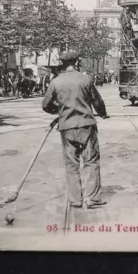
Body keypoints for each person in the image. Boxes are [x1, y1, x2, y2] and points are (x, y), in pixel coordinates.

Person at [42, 50, 109, 210]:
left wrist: (59, 112)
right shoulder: (85, 79)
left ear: (62, 64)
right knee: (91, 161)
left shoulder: (56, 82)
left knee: (71, 163)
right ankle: (92, 198)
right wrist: (103, 114)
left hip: (66, 127)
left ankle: (75, 199)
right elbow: (97, 100)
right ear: (77, 62)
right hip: (86, 125)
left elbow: (46, 105)